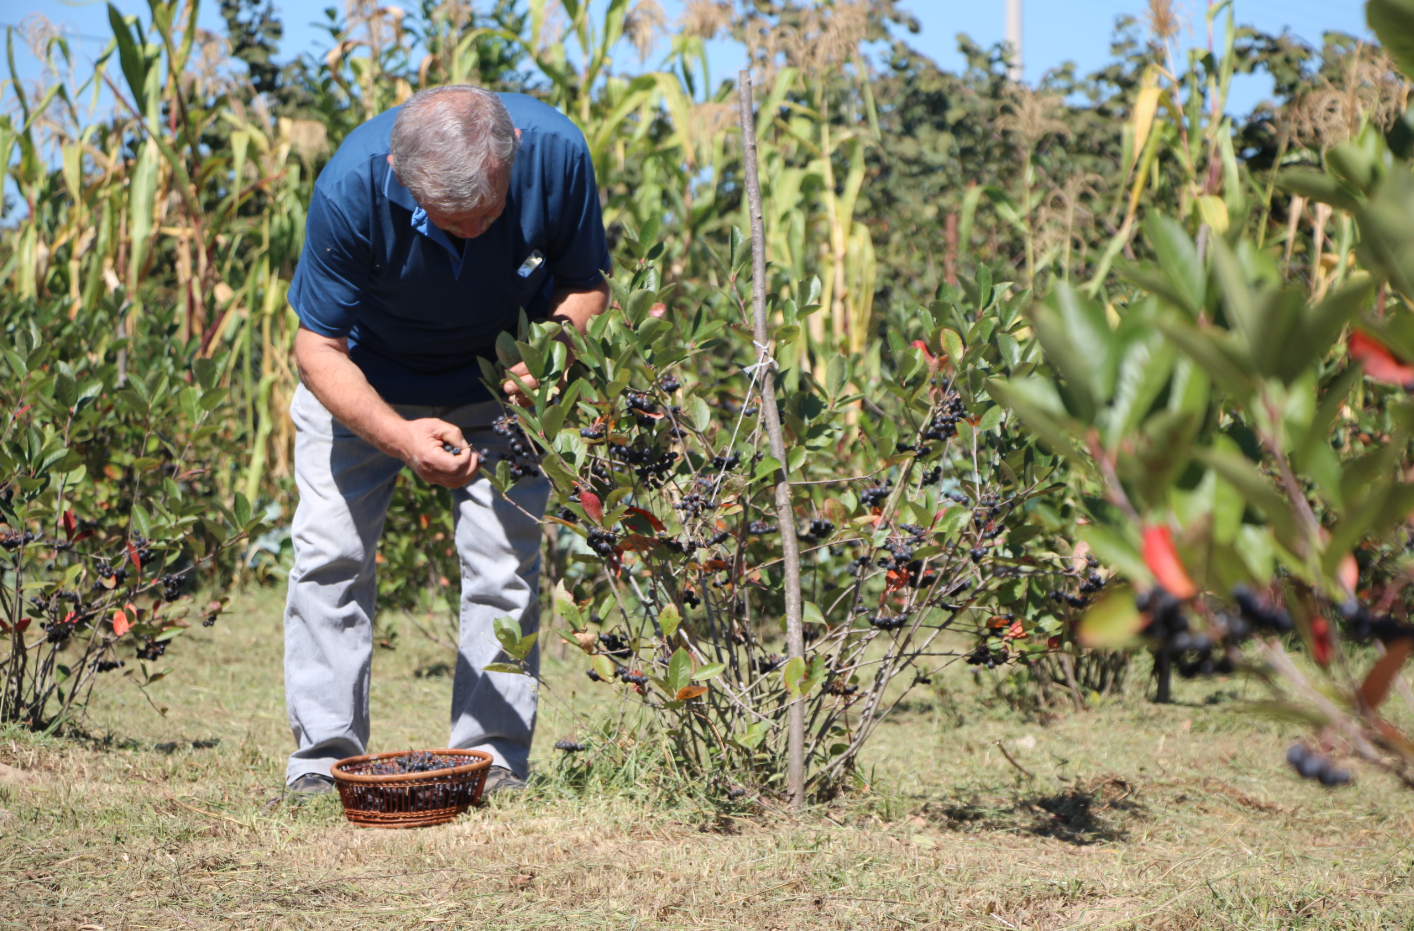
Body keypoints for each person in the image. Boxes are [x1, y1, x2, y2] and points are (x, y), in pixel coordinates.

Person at [281, 85, 609, 795]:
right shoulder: (352, 183)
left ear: (511, 158)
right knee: (329, 556)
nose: (472, 233)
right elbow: (317, 351)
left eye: (487, 215)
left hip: (503, 384)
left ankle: (492, 761)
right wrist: (400, 437)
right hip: (364, 383)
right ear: (402, 173)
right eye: (449, 219)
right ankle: (320, 762)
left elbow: (586, 290)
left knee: (505, 565)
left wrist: (549, 358)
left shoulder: (556, 153)